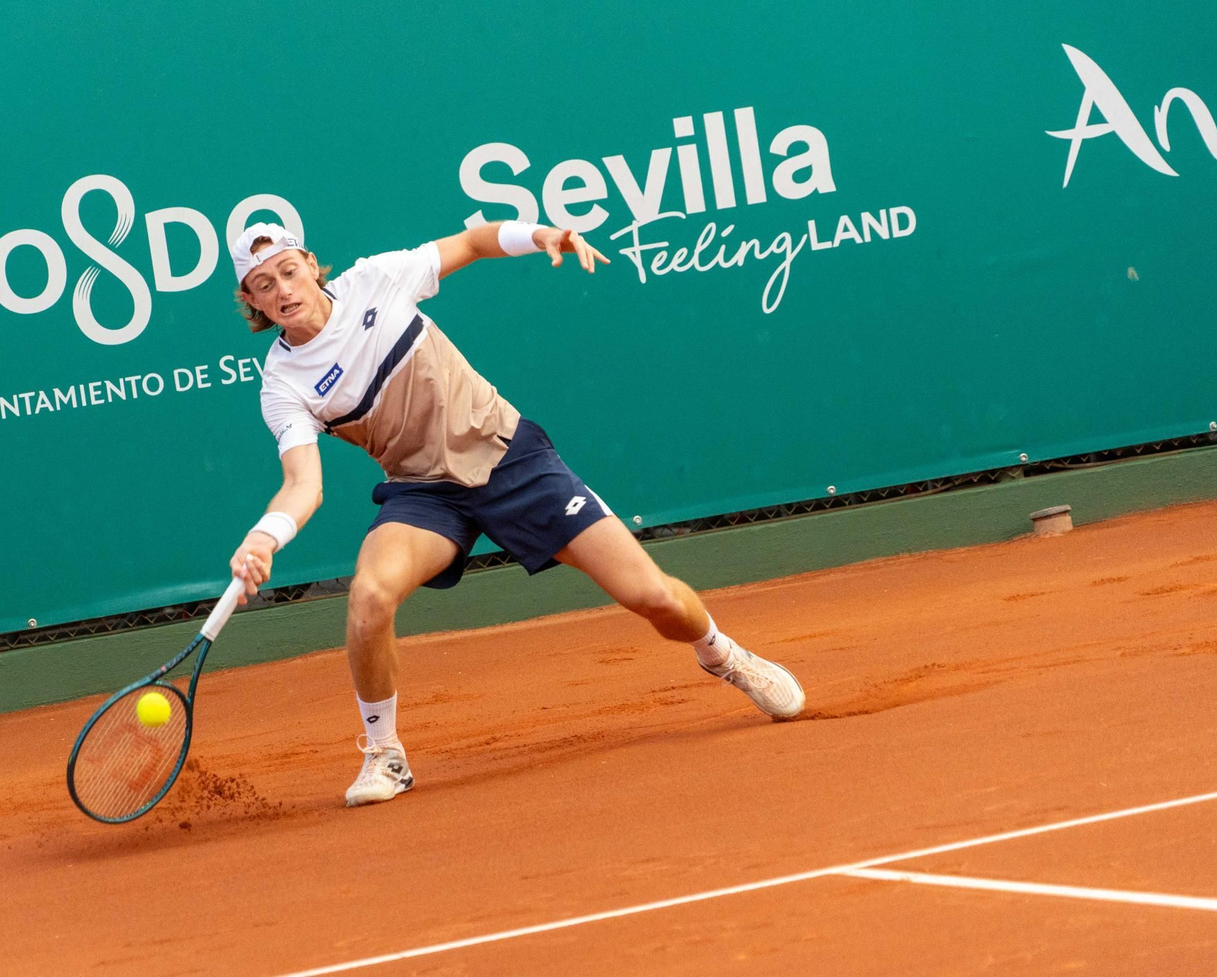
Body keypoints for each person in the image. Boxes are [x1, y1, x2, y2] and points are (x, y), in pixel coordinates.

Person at [227, 221, 805, 807]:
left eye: (289, 271)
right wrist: (264, 537)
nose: (283, 290)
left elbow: (475, 242)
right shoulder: (282, 384)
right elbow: (303, 484)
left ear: (312, 264)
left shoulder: (376, 280)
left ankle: (722, 655)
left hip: (510, 459)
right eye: (263, 284)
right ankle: (384, 754)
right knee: (369, 597)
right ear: (251, 301)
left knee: (652, 596)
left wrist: (541, 236)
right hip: (424, 491)